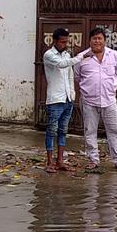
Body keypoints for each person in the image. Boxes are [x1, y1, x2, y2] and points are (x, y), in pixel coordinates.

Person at [74, 26, 117, 171]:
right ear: (90, 41)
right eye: (94, 38)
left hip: (109, 100)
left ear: (104, 40)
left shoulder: (113, 55)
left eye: (100, 38)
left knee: (114, 131)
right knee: (90, 131)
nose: (97, 41)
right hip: (89, 101)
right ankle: (93, 160)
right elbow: (77, 77)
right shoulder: (81, 58)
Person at [40, 27, 78, 173]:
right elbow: (63, 65)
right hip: (55, 99)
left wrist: (72, 94)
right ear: (55, 41)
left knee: (63, 131)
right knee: (51, 130)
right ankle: (49, 161)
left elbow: (70, 76)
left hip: (67, 98)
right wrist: (81, 57)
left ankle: (60, 161)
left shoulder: (67, 55)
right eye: (62, 42)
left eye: (66, 41)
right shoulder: (49, 55)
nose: (65, 44)